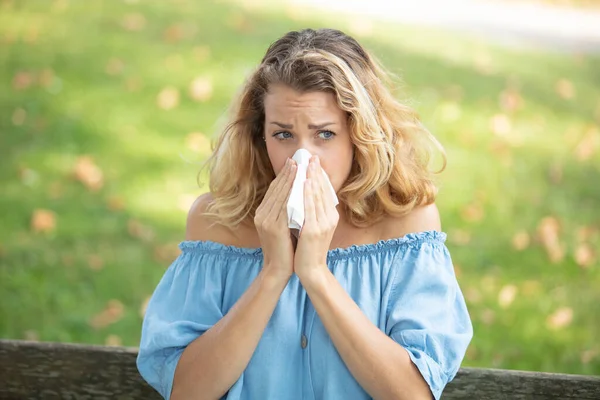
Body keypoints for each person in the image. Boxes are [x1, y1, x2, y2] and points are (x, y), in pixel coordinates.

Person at [137, 28, 473, 400]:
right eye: (283, 135)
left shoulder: (406, 225)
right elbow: (187, 392)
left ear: (359, 136)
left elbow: (413, 395)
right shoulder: (217, 222)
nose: (303, 157)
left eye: (325, 135)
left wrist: (315, 274)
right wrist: (273, 272)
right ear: (260, 137)